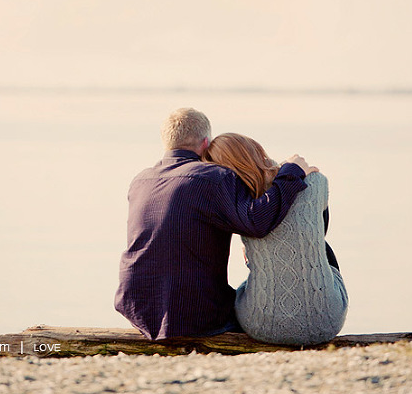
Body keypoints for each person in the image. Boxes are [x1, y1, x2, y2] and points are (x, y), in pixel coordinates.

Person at [114, 108, 312, 340]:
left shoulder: (140, 180)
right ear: (206, 142)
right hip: (194, 312)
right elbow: (258, 222)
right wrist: (291, 172)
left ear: (167, 142)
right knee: (250, 302)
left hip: (137, 306)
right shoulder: (214, 177)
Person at [203, 133, 348, 346]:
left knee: (254, 264)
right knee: (321, 248)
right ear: (256, 149)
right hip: (326, 322)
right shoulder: (317, 181)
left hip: (261, 325)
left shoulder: (239, 200)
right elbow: (320, 230)